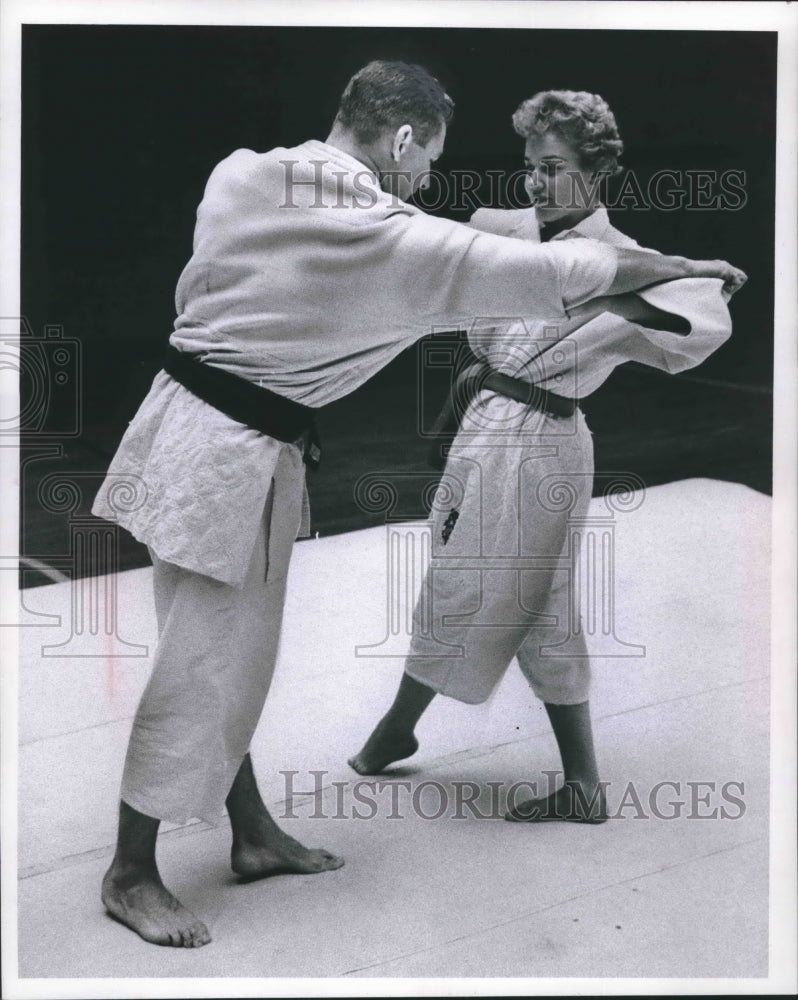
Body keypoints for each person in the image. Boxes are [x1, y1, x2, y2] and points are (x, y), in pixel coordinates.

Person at [92, 65, 746, 948]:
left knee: (225, 652)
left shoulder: (241, 171)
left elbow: (523, 267)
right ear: (401, 140)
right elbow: (525, 264)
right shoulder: (378, 232)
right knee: (204, 659)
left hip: (184, 433)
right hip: (230, 458)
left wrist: (633, 284)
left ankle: (250, 834)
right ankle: (131, 871)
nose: (429, 181)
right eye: (428, 159)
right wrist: (671, 266)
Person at [348, 89, 746, 825]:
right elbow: (438, 244)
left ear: (596, 173)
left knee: (505, 596)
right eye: (529, 165)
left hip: (541, 444)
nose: (535, 180)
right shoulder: (507, 231)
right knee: (482, 584)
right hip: (488, 431)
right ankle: (428, 735)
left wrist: (642, 284)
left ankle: (422, 735)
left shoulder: (622, 260)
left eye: (554, 167)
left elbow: (693, 319)